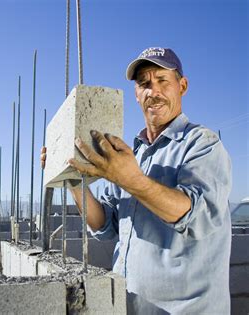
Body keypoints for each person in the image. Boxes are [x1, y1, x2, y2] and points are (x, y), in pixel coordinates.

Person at [42, 47, 232, 314]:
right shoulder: (131, 155)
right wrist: (73, 177)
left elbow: (196, 216)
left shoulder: (202, 144)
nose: (152, 91)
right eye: (144, 83)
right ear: (136, 94)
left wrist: (129, 179)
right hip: (129, 306)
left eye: (162, 81)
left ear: (182, 85)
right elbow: (104, 225)